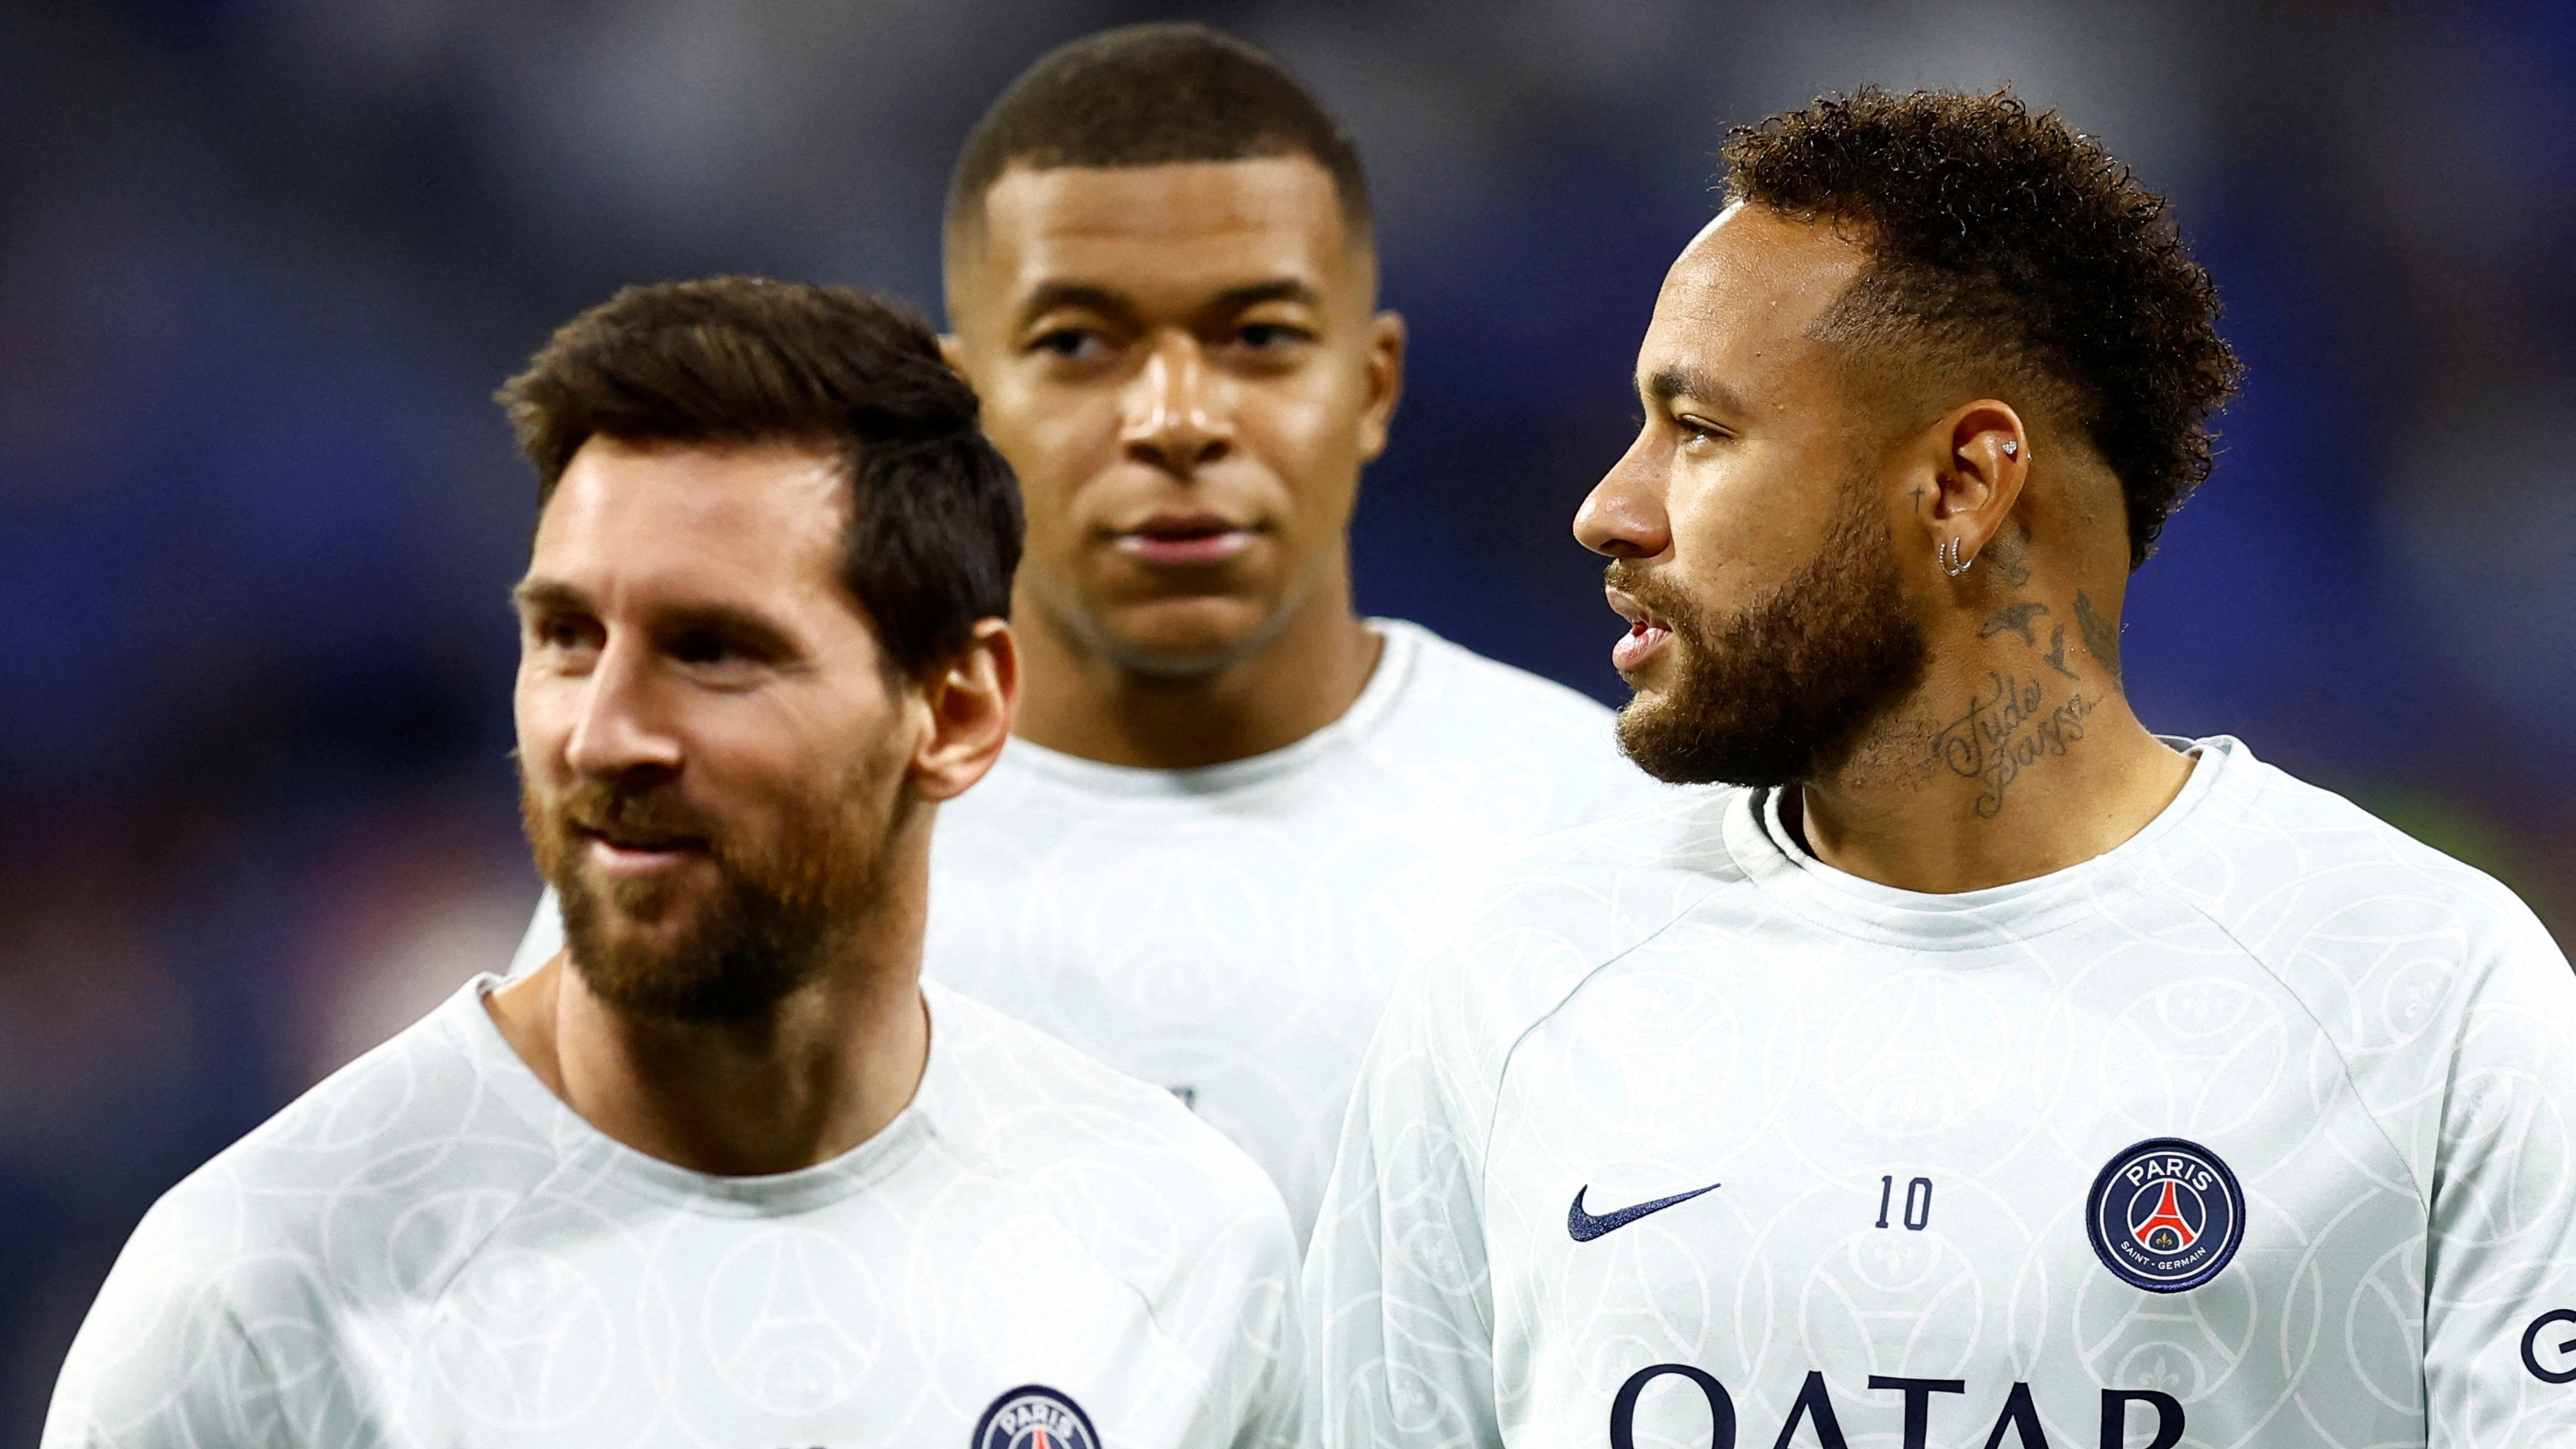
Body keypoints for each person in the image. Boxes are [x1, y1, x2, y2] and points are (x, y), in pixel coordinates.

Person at [1305, 88, 2576, 1448]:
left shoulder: (2423, 994)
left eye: (1699, 431)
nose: (1610, 506)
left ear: (1965, 483)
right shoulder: (1518, 979)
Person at [47, 279, 1304, 1448]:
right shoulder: (265, 1290)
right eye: (567, 637)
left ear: (958, 710)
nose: (603, 732)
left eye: (712, 649)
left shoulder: (1170, 1236)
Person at [507, 23, 1662, 1244]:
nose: (1174, 420)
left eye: (1258, 337)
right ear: (963, 409)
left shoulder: (1601, 839)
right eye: (1079, 345)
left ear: (1370, 386)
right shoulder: (752, 834)